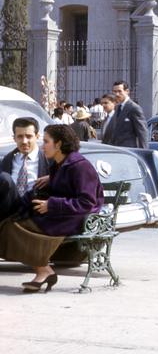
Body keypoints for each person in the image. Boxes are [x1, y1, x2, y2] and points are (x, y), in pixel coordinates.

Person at [0, 124, 104, 292]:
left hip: (74, 218)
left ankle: (44, 271)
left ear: (59, 144)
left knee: (12, 229)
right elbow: (59, 189)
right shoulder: (59, 165)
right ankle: (44, 271)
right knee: (9, 222)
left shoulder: (80, 166)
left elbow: (87, 203)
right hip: (61, 214)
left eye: (46, 141)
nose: (42, 146)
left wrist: (52, 205)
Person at [0, 117, 49, 220]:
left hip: (35, 207)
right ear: (14, 138)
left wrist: (52, 177)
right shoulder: (7, 160)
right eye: (20, 136)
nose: (24, 141)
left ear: (37, 136)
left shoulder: (49, 160)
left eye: (29, 136)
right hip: (10, 209)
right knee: (5, 178)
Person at [102, 80, 148, 149]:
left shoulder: (134, 108)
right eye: (114, 91)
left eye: (119, 91)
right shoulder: (117, 107)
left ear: (127, 91)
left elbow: (142, 133)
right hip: (116, 151)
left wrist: (143, 153)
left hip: (128, 151)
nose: (117, 94)